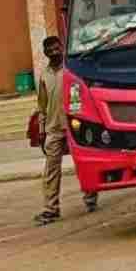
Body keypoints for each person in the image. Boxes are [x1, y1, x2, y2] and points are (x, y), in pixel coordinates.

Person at [34, 35, 95, 225]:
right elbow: (42, 106)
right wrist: (42, 130)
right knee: (51, 170)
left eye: (56, 47)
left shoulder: (71, 70)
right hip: (53, 128)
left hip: (74, 124)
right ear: (45, 53)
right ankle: (50, 208)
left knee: (82, 163)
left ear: (62, 48)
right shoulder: (44, 75)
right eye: (49, 49)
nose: (54, 51)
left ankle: (91, 198)